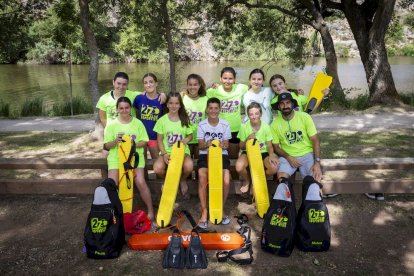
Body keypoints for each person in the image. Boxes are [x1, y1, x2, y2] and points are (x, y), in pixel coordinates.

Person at [103, 96, 154, 220]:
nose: (124, 110)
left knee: (140, 181)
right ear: (117, 109)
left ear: (130, 108)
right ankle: (113, 213)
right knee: (112, 184)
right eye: (121, 108)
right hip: (116, 157)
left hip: (134, 158)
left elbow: (144, 141)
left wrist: (132, 143)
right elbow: (106, 146)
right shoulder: (112, 125)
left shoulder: (137, 123)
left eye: (127, 108)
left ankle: (151, 210)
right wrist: (116, 141)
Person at [270, 93, 323, 188]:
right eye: (282, 103)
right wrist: (289, 157)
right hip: (287, 155)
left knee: (314, 180)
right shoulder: (274, 124)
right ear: (278, 106)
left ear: (293, 104)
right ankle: (286, 201)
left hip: (307, 154)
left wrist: (317, 163)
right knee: (282, 180)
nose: (285, 106)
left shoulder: (304, 117)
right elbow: (276, 147)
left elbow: (315, 140)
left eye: (288, 103)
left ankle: (314, 201)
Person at [196, 97, 232, 228]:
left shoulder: (225, 124)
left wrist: (221, 144)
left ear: (220, 110)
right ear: (207, 109)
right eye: (210, 108)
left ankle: (220, 208)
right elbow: (200, 146)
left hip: (221, 155)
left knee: (226, 180)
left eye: (216, 108)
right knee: (202, 177)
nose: (213, 111)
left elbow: (227, 145)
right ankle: (205, 211)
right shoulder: (202, 124)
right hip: (205, 155)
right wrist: (208, 144)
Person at [153, 92, 194, 199]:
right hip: (167, 152)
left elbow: (190, 136)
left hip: (182, 152)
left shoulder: (184, 119)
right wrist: (164, 154)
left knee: (189, 166)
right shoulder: (162, 120)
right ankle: (167, 180)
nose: (174, 106)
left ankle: (182, 179)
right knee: (157, 168)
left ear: (180, 105)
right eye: (171, 103)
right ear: (167, 104)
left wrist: (186, 139)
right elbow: (160, 140)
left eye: (176, 103)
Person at [236, 102, 279, 194]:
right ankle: (247, 180)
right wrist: (248, 139)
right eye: (251, 114)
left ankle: (260, 179)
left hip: (263, 152)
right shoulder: (244, 127)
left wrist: (271, 155)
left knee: (274, 168)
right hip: (248, 152)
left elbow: (269, 145)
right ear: (248, 115)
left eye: (256, 113)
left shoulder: (266, 127)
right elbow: (241, 146)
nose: (254, 116)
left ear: (260, 114)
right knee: (239, 167)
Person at [207, 67, 248, 159]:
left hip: (235, 129)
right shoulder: (214, 91)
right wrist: (184, 92)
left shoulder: (241, 88)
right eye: (225, 78)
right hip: (219, 129)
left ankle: (232, 174)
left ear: (234, 79)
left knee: (233, 158)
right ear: (220, 78)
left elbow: (255, 85)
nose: (228, 81)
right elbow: (199, 94)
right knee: (218, 158)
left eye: (230, 78)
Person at [132, 73, 166, 160]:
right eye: (145, 82)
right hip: (140, 137)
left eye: (151, 82)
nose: (148, 85)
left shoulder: (162, 100)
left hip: (154, 136)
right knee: (141, 163)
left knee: (158, 161)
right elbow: (136, 113)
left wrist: (163, 94)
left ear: (156, 83)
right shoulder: (139, 98)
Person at [181, 74, 208, 159]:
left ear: (199, 85)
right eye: (190, 84)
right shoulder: (182, 98)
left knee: (199, 164)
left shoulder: (205, 99)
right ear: (187, 85)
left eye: (195, 84)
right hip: (186, 137)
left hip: (200, 137)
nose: (193, 87)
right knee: (186, 165)